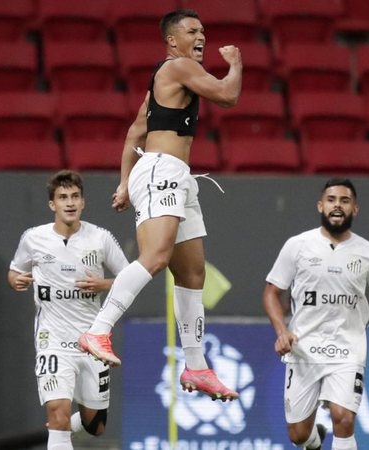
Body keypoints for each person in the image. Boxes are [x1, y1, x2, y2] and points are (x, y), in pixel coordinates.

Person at [77, 8, 242, 401]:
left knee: (192, 274)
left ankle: (197, 366)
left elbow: (136, 128)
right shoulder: (179, 66)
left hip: (176, 175)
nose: (201, 35)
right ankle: (99, 329)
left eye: (203, 29)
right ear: (172, 40)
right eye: (192, 30)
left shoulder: (164, 80)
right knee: (155, 256)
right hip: (162, 170)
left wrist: (123, 183)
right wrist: (235, 64)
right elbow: (227, 95)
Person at [263, 178, 369, 450]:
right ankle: (315, 440)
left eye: (345, 201)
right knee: (298, 435)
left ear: (354, 209)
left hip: (348, 349)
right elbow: (271, 293)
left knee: (343, 418)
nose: (338, 206)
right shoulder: (298, 245)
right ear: (321, 206)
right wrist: (282, 331)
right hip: (303, 348)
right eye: (332, 200)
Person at [8, 170, 130, 450]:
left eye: (75, 196)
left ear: (83, 202)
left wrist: (104, 283)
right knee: (58, 414)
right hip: (52, 341)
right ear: (52, 204)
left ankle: (60, 432)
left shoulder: (100, 238)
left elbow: (131, 277)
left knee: (95, 426)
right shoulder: (33, 239)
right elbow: (14, 272)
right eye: (63, 197)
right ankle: (57, 431)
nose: (70, 202)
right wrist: (17, 281)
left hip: (91, 342)